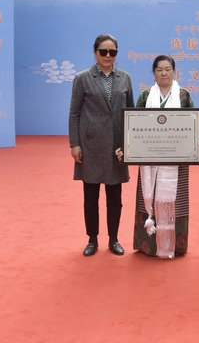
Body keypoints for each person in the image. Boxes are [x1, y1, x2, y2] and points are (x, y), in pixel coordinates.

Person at [130, 55, 199, 259]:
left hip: (176, 161)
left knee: (176, 201)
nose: (164, 73)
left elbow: (192, 126)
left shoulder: (183, 95)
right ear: (153, 72)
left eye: (168, 69)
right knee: (148, 199)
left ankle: (176, 245)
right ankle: (148, 245)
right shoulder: (146, 96)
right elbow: (135, 126)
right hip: (150, 161)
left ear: (174, 71)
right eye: (159, 69)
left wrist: (197, 142)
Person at [69, 33, 134, 257]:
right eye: (103, 51)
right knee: (91, 197)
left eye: (112, 52)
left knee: (115, 198)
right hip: (91, 145)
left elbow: (131, 114)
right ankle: (92, 239)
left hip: (117, 147)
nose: (108, 55)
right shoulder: (82, 78)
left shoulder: (125, 78)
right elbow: (74, 113)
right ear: (95, 53)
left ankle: (114, 239)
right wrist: (75, 143)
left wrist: (129, 145)